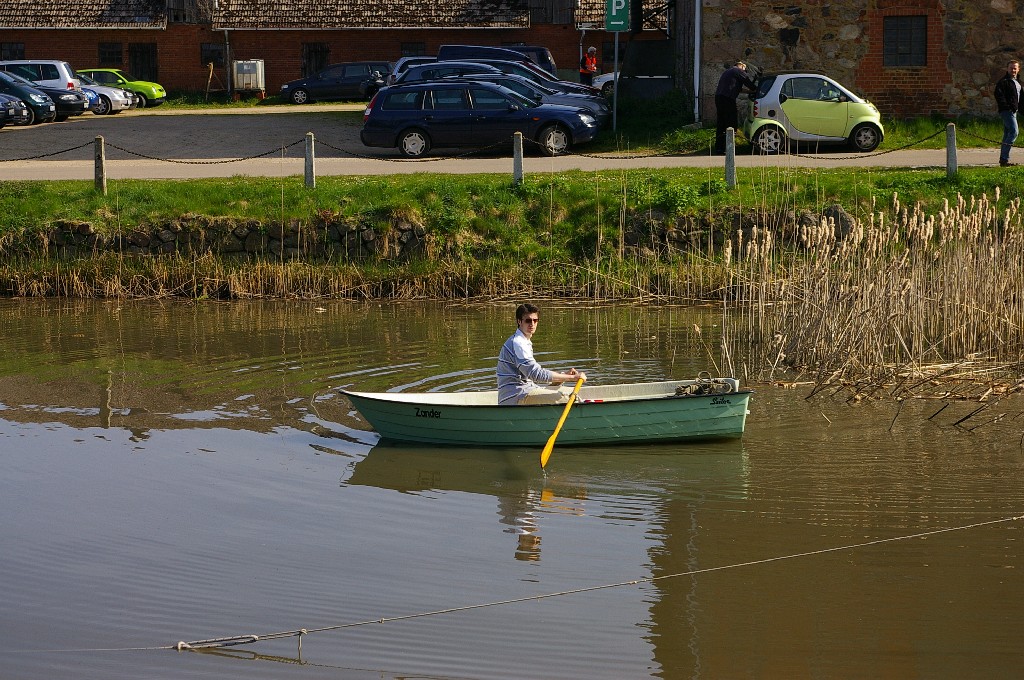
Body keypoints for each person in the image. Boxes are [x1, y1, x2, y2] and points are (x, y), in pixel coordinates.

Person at [497, 303, 586, 405]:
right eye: (528, 320)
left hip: (524, 390)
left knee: (564, 389)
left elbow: (531, 376)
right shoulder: (518, 343)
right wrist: (573, 378)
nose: (532, 324)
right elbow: (535, 374)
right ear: (519, 321)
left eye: (535, 320)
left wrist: (563, 376)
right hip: (515, 396)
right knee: (568, 397)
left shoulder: (522, 340)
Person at [714, 61, 756, 153]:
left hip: (719, 98)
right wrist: (755, 89)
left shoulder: (728, 72)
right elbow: (747, 81)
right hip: (727, 98)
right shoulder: (738, 70)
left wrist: (750, 92)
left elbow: (738, 88)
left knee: (721, 122)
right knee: (731, 122)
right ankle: (729, 147)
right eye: (745, 70)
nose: (745, 72)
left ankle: (719, 147)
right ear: (742, 66)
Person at [995, 59, 1021, 167]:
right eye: (1011, 68)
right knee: (1014, 132)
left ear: (1018, 69)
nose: (1013, 70)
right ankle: (1004, 159)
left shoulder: (1017, 82)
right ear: (1007, 69)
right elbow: (998, 94)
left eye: (1015, 68)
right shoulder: (1003, 81)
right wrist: (1007, 107)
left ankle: (1003, 160)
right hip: (1007, 111)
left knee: (1007, 134)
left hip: (1014, 111)